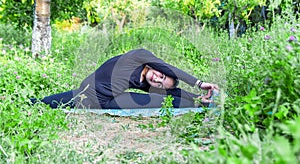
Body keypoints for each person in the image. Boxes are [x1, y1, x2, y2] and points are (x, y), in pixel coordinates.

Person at [30, 49, 219, 109]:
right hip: (86, 93)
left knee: (163, 99)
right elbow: (168, 68)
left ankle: (198, 103)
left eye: (160, 83)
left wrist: (195, 97)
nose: (158, 79)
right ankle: (28, 102)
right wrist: (199, 83)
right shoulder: (139, 56)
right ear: (157, 67)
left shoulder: (144, 83)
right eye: (161, 75)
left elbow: (171, 92)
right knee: (45, 102)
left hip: (106, 103)